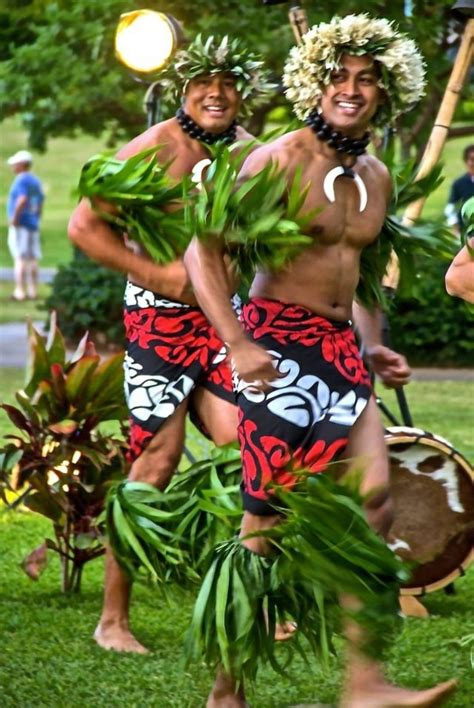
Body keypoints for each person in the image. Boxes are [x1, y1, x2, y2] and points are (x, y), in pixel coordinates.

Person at [184, 15, 456, 707]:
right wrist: (238, 343)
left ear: (385, 91)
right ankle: (226, 690)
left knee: (376, 507)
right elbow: (203, 252)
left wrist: (369, 342)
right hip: (277, 347)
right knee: (264, 527)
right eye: (339, 77)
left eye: (367, 80)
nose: (352, 90)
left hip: (340, 355)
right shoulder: (276, 159)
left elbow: (357, 275)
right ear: (315, 82)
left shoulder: (378, 174)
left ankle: (365, 684)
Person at [68, 34, 273, 654]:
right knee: (155, 461)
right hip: (158, 323)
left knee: (253, 449)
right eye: (202, 84)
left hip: (226, 326)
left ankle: (255, 603)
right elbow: (84, 225)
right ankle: (113, 619)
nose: (216, 94)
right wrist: (158, 276)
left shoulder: (253, 155)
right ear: (183, 90)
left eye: (227, 84)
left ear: (244, 92)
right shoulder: (154, 148)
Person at [6, 149, 44, 301]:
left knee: (20, 257)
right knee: (33, 257)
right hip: (33, 223)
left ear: (21, 165)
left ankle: (20, 291)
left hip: (21, 223)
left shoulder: (20, 181)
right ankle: (33, 290)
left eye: (15, 164)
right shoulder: (35, 181)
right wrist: (37, 217)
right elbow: (40, 201)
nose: (13, 167)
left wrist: (15, 218)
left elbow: (21, 200)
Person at [444, 144, 474, 235]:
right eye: (472, 160)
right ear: (466, 161)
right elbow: (450, 208)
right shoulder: (459, 183)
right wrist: (455, 229)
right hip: (467, 232)